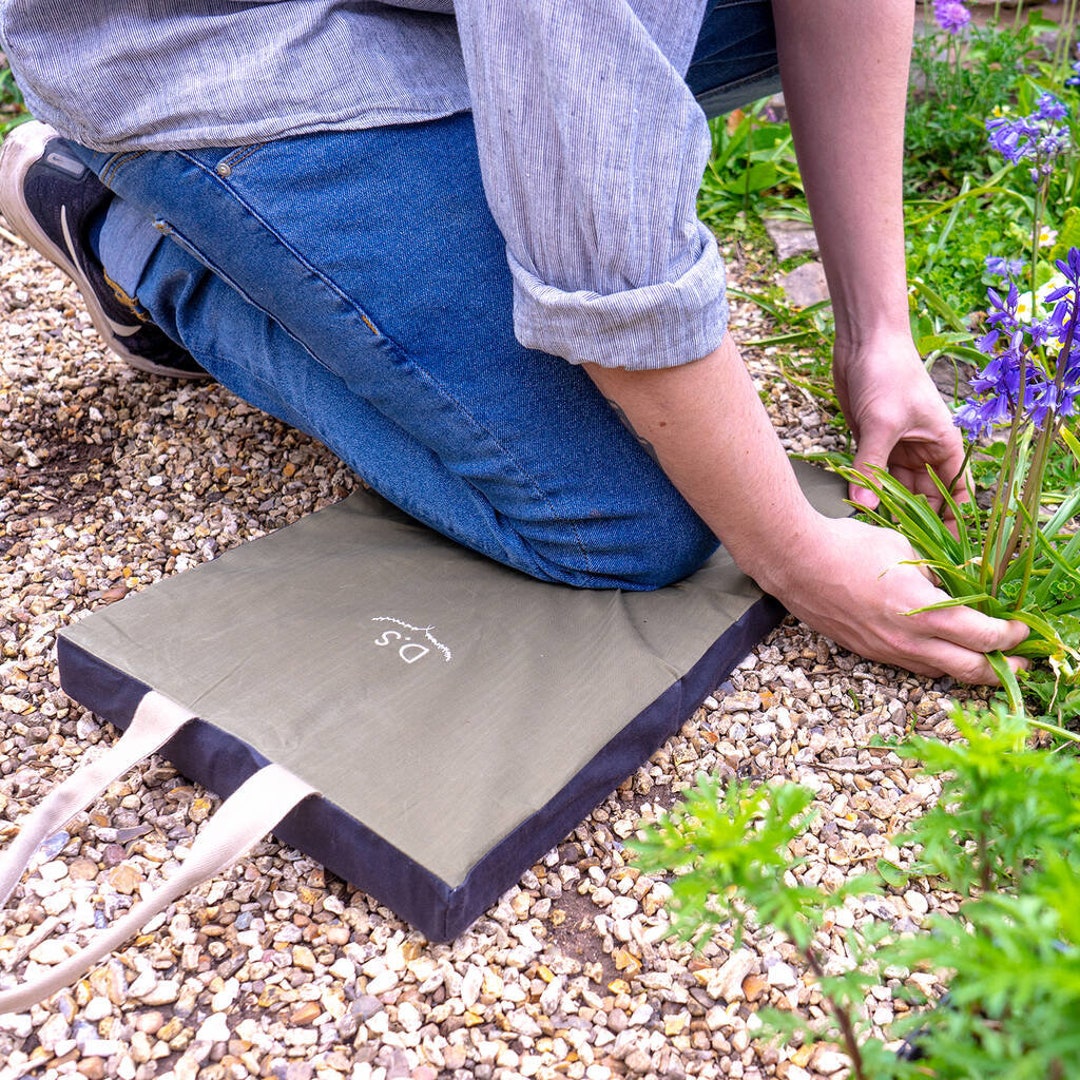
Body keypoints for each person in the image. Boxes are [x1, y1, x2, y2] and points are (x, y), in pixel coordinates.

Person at [0, 0, 1028, 682]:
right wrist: (793, 553)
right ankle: (134, 240)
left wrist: (878, 335)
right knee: (629, 520)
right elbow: (600, 227)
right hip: (208, 38)